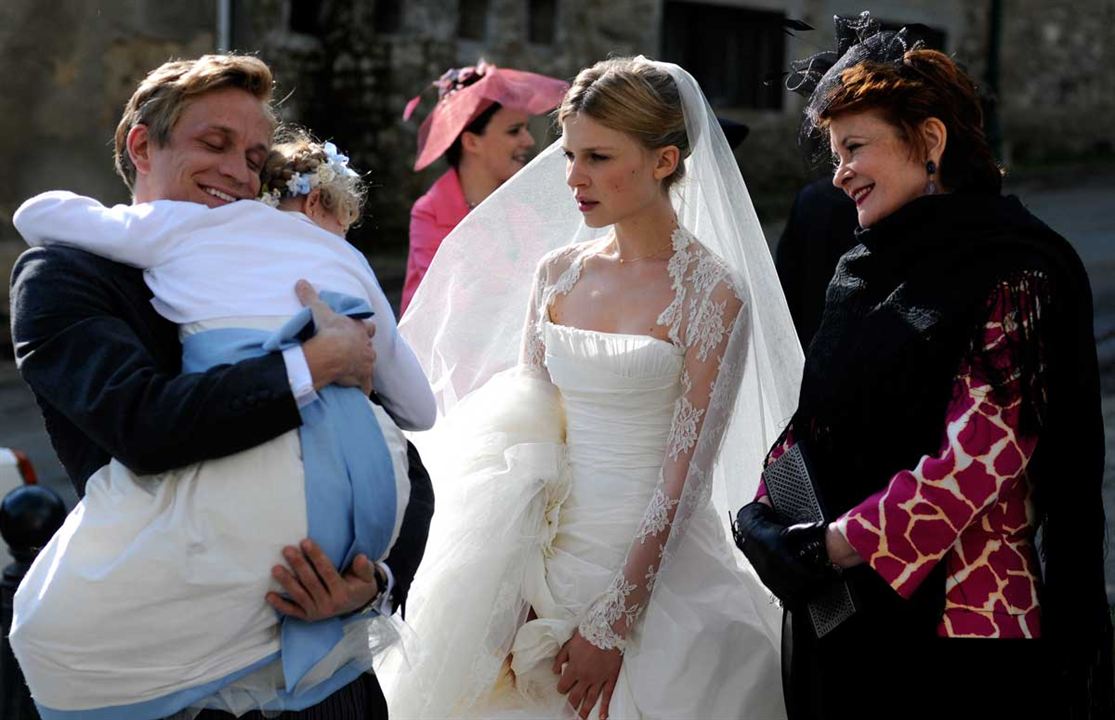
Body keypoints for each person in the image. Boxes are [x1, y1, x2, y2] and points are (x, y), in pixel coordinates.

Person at [7, 54, 434, 720]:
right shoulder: (64, 275)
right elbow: (143, 426)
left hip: (327, 674)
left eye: (256, 157)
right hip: (174, 671)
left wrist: (371, 584)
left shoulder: (279, 263)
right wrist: (311, 364)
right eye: (215, 145)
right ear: (143, 145)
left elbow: (400, 455)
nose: (239, 172)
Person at [383, 56, 803, 720]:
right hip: (541, 541)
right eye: (569, 154)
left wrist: (616, 617)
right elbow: (527, 429)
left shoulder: (712, 289)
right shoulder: (556, 273)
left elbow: (686, 469)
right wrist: (502, 588)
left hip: (651, 558)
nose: (573, 177)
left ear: (663, 160)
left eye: (598, 157)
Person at [734, 13, 1113, 719]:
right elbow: (820, 410)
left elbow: (980, 455)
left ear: (929, 140)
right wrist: (765, 509)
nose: (838, 171)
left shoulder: (1013, 266)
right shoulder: (863, 263)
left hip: (960, 622)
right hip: (843, 615)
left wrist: (827, 548)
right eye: (832, 151)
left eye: (853, 146)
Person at [399, 60, 568, 312]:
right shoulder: (431, 212)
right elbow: (448, 303)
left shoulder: (523, 213)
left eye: (526, 129)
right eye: (514, 131)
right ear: (471, 142)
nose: (529, 140)